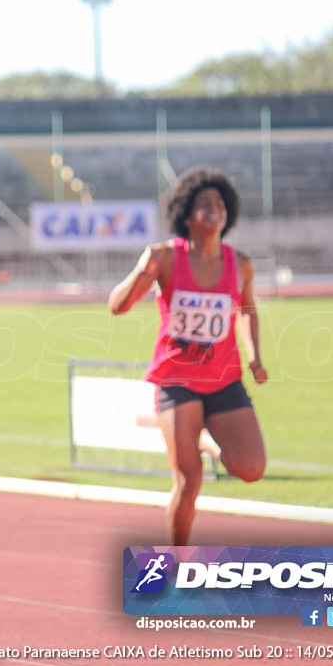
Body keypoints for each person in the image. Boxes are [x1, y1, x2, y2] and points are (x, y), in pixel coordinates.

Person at [108, 167, 267, 546]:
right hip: (176, 378)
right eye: (204, 203)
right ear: (186, 214)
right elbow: (118, 306)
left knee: (251, 468)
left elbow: (246, 309)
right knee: (189, 480)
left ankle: (206, 438)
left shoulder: (239, 264)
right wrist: (143, 270)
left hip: (224, 377)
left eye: (219, 204)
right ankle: (177, 562)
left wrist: (255, 356)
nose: (214, 209)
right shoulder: (165, 257)